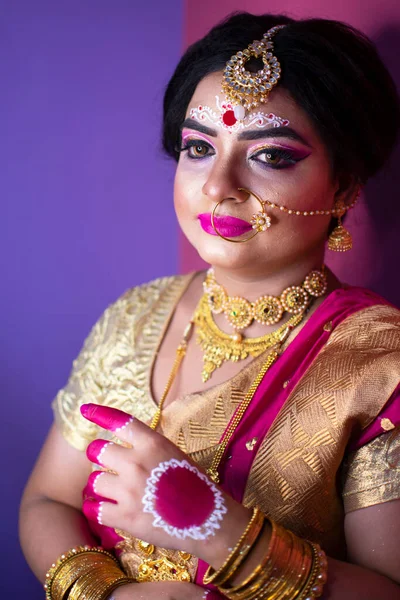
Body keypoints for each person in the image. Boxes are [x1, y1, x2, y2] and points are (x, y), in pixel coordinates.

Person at [19, 12, 400, 600]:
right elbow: (47, 499)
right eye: (198, 147)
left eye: (270, 156)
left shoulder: (379, 360)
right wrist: (108, 595)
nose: (218, 185)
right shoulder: (135, 316)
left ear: (345, 187)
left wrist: (224, 536)